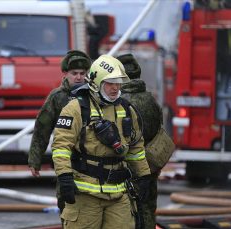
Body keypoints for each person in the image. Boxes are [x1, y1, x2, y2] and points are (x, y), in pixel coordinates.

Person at [51, 54, 151, 229]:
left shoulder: (126, 110)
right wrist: (65, 177)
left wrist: (143, 176)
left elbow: (136, 148)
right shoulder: (76, 109)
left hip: (118, 194)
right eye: (110, 83)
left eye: (118, 83)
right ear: (96, 82)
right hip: (85, 194)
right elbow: (61, 146)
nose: (115, 88)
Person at [27, 50, 92, 216]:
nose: (78, 77)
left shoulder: (94, 95)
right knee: (66, 204)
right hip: (66, 161)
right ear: (65, 73)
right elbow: (42, 128)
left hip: (91, 161)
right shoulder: (57, 97)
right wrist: (35, 160)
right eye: (74, 73)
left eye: (82, 73)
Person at [118, 53, 175, 229]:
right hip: (151, 165)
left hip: (127, 170)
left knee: (126, 213)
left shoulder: (119, 103)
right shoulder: (151, 100)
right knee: (148, 208)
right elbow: (159, 128)